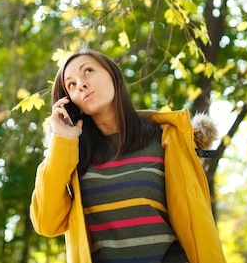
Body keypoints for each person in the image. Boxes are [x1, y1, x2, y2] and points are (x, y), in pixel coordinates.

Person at [30, 49, 227, 263]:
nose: (81, 84)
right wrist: (62, 140)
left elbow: (197, 224)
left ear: (113, 75)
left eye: (88, 71)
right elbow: (46, 223)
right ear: (71, 103)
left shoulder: (166, 140)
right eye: (71, 85)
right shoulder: (70, 156)